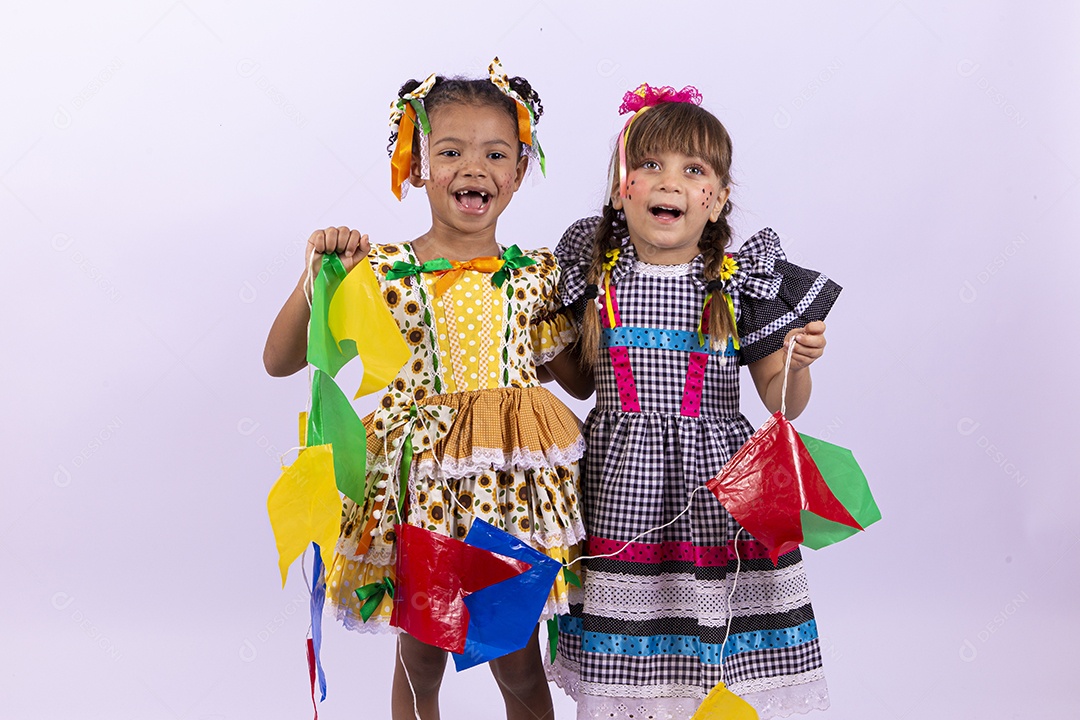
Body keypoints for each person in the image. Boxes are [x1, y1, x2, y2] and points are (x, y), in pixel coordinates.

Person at [263, 60, 589, 720]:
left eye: (496, 153)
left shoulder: (536, 277)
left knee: (519, 662)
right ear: (417, 165)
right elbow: (280, 360)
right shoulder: (382, 270)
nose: (475, 168)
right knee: (421, 660)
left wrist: (603, 305)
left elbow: (583, 380)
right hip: (424, 491)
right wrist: (318, 276)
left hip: (509, 494)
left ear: (519, 171)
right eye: (451, 151)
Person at [547, 84, 842, 719]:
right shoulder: (596, 278)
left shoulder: (737, 285)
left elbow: (779, 399)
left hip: (717, 491)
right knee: (631, 646)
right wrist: (532, 340)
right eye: (648, 165)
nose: (669, 182)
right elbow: (575, 380)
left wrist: (799, 359)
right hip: (617, 485)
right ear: (620, 189)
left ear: (719, 199)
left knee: (715, 643)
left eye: (694, 169)